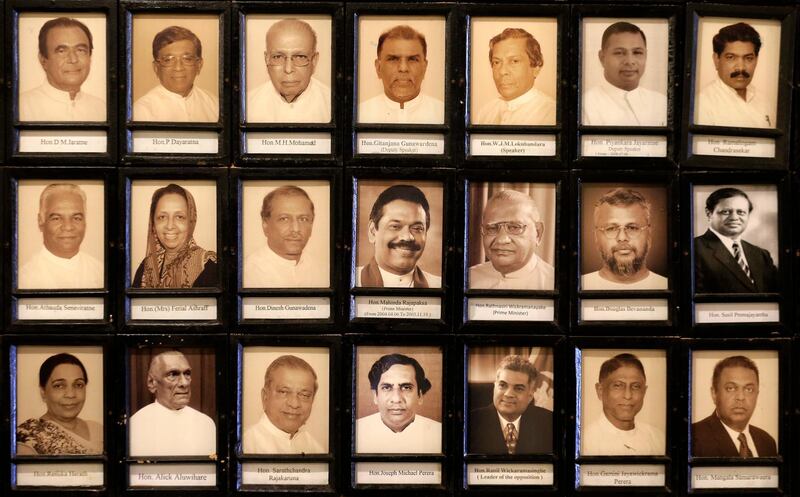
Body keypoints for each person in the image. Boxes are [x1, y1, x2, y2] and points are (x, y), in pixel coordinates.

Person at [129, 350, 216, 456]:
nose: (184, 383)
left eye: (187, 373)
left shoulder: (206, 424)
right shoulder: (136, 425)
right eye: (173, 374)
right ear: (152, 383)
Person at [20, 17, 105, 121]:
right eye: (61, 51)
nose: (73, 59)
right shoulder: (21, 107)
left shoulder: (101, 108)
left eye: (80, 50)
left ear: (90, 58)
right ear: (43, 60)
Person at [132, 184, 218, 288]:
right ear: (153, 223)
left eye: (179, 217)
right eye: (162, 217)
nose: (170, 226)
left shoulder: (209, 265)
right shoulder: (146, 267)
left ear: (191, 222)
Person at [19, 184, 103, 289]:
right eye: (56, 218)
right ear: (41, 221)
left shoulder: (101, 272)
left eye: (76, 218)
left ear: (85, 222)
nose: (68, 227)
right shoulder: (23, 280)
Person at [694, 187, 778, 293]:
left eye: (741, 212)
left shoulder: (761, 255)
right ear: (709, 213)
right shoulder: (694, 249)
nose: (734, 217)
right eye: (725, 212)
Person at [583, 21, 667, 126]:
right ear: (602, 58)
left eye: (637, 52)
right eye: (619, 53)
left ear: (646, 55)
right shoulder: (585, 106)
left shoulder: (662, 103)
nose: (629, 61)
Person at [582, 188, 668, 290]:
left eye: (632, 228)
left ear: (649, 234)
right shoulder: (580, 286)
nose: (622, 238)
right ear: (596, 236)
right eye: (611, 228)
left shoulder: (667, 286)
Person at [356, 184, 441, 288]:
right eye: (395, 226)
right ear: (373, 231)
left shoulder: (438, 285)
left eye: (417, 228)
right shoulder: (352, 281)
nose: (407, 237)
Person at [16, 353, 102, 455]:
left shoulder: (98, 430)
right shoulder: (27, 438)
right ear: (43, 392)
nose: (70, 394)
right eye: (59, 386)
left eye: (78, 385)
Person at [247, 19, 331, 123]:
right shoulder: (247, 106)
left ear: (314, 60)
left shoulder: (332, 105)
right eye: (278, 57)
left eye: (300, 57)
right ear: (267, 59)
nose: (288, 69)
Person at [692, 356, 777, 457]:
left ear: (757, 394)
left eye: (749, 389)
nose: (741, 397)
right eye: (730, 388)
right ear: (714, 393)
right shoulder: (693, 439)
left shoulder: (767, 442)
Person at [469, 190, 554, 290]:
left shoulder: (553, 284)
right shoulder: (468, 279)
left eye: (514, 227)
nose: (502, 240)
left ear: (538, 233)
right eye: (492, 228)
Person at [356, 354, 441, 453]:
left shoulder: (439, 433)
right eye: (387, 387)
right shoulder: (356, 432)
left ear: (420, 395)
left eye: (406, 387)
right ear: (375, 395)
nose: (396, 399)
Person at [359, 25, 444, 124]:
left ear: (424, 68)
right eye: (393, 59)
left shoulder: (442, 114)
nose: (403, 68)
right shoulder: (360, 115)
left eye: (412, 59)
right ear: (378, 68)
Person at [582, 353, 664, 455]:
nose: (628, 395)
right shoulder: (585, 442)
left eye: (636, 386)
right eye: (618, 386)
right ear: (600, 391)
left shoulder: (658, 438)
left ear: (644, 391)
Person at [243, 186, 326, 288]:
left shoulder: (322, 270)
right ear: (265, 224)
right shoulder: (248, 273)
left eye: (303, 219)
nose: (295, 229)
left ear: (311, 224)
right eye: (284, 219)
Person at [469, 355, 552, 454]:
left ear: (530, 395)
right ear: (495, 387)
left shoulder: (549, 423)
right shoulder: (470, 422)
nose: (508, 394)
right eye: (503, 385)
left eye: (518, 388)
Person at [133, 26, 218, 122]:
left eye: (187, 59)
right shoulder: (141, 112)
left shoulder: (215, 105)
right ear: (156, 68)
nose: (178, 68)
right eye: (168, 60)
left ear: (199, 65)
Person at [695, 22, 773, 128]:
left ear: (756, 60)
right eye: (731, 57)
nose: (740, 67)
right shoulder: (702, 105)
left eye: (748, 58)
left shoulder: (764, 101)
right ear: (716, 59)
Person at [243, 355, 325, 454]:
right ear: (265, 396)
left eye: (304, 395)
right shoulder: (246, 445)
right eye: (283, 392)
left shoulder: (316, 449)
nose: (294, 404)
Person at [474, 28, 556, 125]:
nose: (502, 71)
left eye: (514, 61)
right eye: (496, 62)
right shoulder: (485, 113)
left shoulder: (551, 114)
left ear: (536, 68)